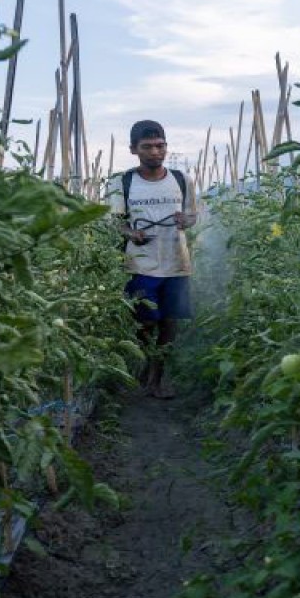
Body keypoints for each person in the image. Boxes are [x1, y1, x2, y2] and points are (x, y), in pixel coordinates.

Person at [107, 120, 197, 399]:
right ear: (134, 149)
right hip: (140, 265)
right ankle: (148, 366)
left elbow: (193, 215)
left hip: (176, 263)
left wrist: (186, 220)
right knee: (145, 321)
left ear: (166, 147)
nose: (155, 152)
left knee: (170, 321)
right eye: (147, 147)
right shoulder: (122, 182)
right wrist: (131, 233)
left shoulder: (181, 180)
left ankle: (157, 377)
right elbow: (114, 222)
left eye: (160, 146)